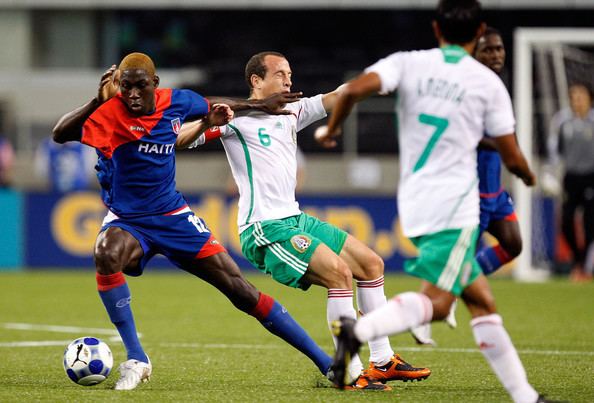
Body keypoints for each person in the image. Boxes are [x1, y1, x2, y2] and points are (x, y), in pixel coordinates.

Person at [52, 52, 335, 391]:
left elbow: (218, 105)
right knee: (106, 253)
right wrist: (94, 102)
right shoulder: (109, 113)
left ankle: (328, 364)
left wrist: (260, 105)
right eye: (126, 87)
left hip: (173, 216)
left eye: (141, 87)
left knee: (241, 291)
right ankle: (137, 357)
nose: (133, 95)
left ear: (155, 84)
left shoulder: (176, 101)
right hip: (128, 220)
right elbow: (60, 133)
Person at [317, 1, 554, 401]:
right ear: (480, 31)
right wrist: (531, 176)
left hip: (414, 199)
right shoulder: (485, 83)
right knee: (440, 304)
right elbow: (511, 155)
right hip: (456, 205)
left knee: (481, 301)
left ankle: (526, 396)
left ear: (435, 28)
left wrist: (332, 129)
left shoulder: (408, 63)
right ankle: (359, 331)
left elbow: (354, 89)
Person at [182, 51, 431, 391]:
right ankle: (349, 371)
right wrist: (210, 121)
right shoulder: (233, 120)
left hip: (295, 219)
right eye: (280, 73)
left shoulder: (292, 111)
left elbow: (336, 96)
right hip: (265, 228)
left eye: (290, 73)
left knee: (371, 264)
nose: (289, 80)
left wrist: (375, 82)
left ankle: (383, 360)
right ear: (256, 80)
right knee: (340, 275)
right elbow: (181, 138)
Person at [411, 26, 521, 346]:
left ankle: (454, 293)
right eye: (488, 50)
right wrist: (503, 143)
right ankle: (422, 318)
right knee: (451, 262)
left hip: (494, 192)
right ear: (475, 53)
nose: (496, 55)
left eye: (499, 49)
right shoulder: (467, 87)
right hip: (469, 193)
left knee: (513, 244)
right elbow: (465, 133)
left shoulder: (494, 87)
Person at [548, 83, 594, 282]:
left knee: (590, 223)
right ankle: (579, 260)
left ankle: (583, 265)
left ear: (589, 98)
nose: (577, 99)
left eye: (580, 95)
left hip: (592, 176)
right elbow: (553, 150)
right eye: (573, 96)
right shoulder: (561, 120)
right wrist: (551, 174)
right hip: (570, 177)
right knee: (566, 221)